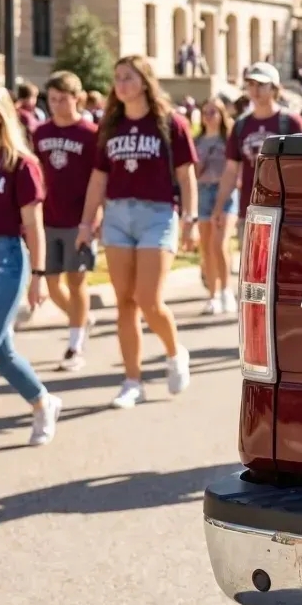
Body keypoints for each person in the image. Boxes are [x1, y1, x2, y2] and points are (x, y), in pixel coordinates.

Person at [77, 56, 199, 409]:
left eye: (128, 77)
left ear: (145, 82)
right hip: (116, 215)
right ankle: (132, 380)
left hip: (156, 214)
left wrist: (190, 218)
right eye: (117, 78)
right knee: (125, 301)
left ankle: (175, 352)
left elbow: (186, 174)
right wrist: (87, 223)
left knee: (148, 298)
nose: (121, 84)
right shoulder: (110, 126)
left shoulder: (169, 123)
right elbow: (98, 177)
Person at [0, 84, 60, 472]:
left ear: (0, 114)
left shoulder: (20, 163)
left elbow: (34, 224)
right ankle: (42, 401)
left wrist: (39, 274)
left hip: (4, 259)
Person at [33, 71, 99, 371]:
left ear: (77, 98)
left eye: (63, 98)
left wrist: (95, 217)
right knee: (51, 282)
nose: (57, 104)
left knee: (76, 280)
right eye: (52, 99)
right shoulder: (41, 132)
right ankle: (81, 318)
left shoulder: (90, 133)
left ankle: (75, 345)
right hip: (48, 218)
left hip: (78, 218)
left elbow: (100, 179)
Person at [212, 61, 302, 244]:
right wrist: (219, 206)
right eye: (251, 84)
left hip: (285, 212)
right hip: (250, 210)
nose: (255, 90)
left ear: (274, 89)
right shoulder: (241, 126)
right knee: (252, 270)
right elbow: (231, 170)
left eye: (261, 85)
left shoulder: (291, 122)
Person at [195, 99, 237, 316]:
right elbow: (191, 172)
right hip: (203, 192)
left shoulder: (228, 139)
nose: (209, 115)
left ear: (221, 114)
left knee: (220, 244)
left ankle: (226, 290)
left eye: (213, 111)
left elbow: (235, 167)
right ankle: (212, 295)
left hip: (225, 193)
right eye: (205, 112)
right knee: (207, 247)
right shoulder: (198, 140)